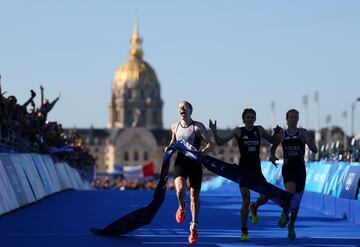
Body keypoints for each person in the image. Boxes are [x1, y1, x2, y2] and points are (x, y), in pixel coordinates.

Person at [209, 108, 276, 241]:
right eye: (247, 117)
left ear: (255, 119)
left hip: (257, 171)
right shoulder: (238, 131)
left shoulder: (260, 130)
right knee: (245, 200)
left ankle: (255, 206)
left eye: (252, 117)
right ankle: (244, 230)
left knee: (266, 196)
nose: (250, 120)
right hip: (243, 171)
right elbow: (220, 142)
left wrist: (278, 134)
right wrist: (214, 131)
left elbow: (273, 140)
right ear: (243, 119)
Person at [169, 100, 213, 244]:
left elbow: (210, 144)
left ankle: (194, 225)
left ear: (190, 111)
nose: (182, 109)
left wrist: (203, 152)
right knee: (180, 190)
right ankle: (181, 207)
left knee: (194, 196)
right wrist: (168, 149)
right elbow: (173, 143)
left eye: (185, 107)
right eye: (180, 108)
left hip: (195, 163)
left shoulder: (197, 127)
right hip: (181, 162)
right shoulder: (174, 127)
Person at [270, 109, 318, 240]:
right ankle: (285, 213)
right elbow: (273, 148)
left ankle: (291, 224)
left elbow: (315, 150)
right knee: (290, 194)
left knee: (296, 203)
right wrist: (272, 156)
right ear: (287, 119)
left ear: (298, 119)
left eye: (296, 117)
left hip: (300, 170)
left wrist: (307, 140)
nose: (293, 119)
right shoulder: (282, 135)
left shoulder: (303, 132)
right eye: (291, 117)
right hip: (288, 169)